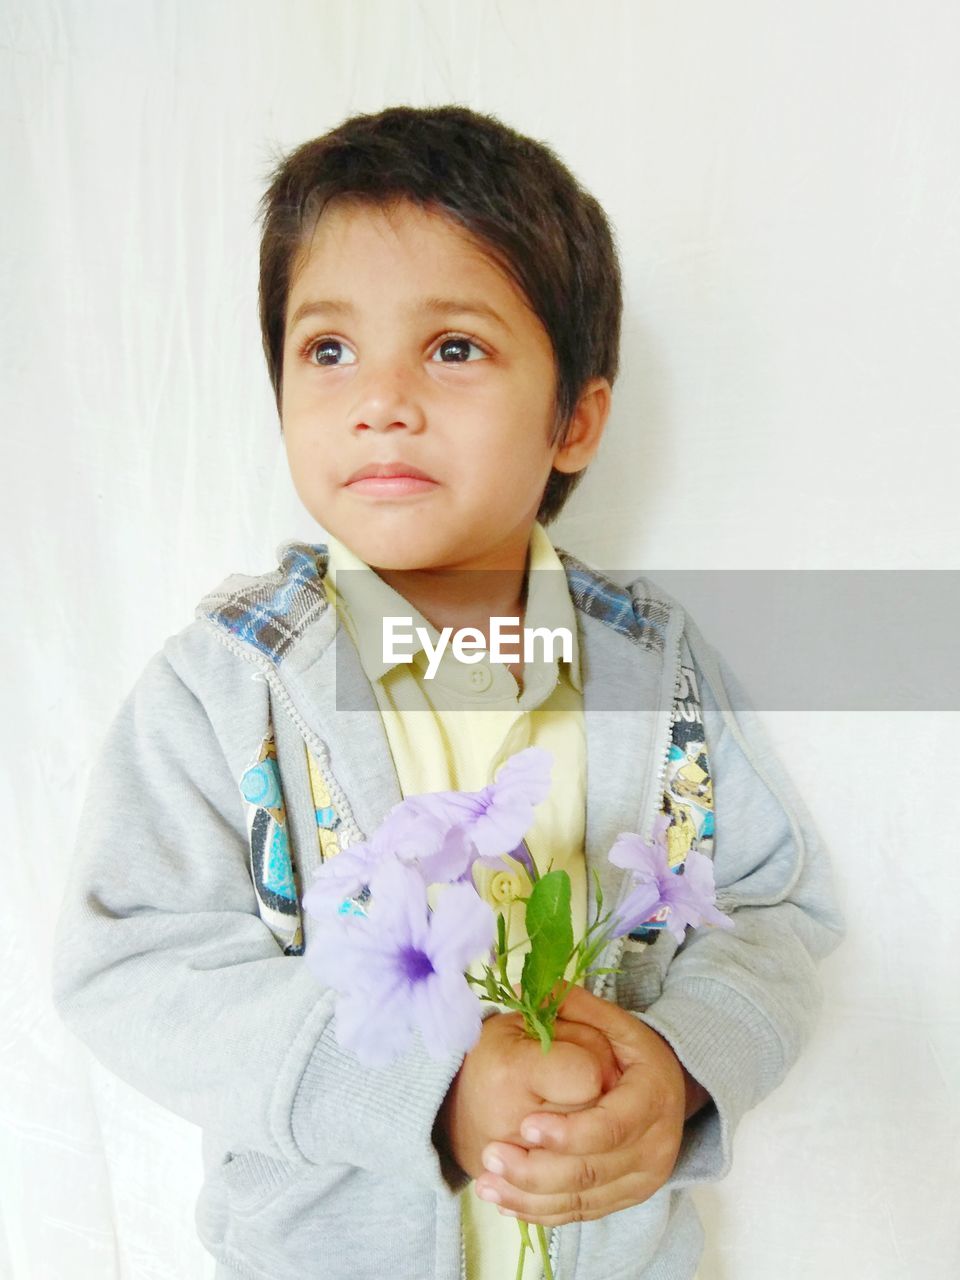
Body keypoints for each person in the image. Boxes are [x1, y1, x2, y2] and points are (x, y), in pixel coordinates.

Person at [51, 104, 845, 1280]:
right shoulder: (229, 680)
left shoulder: (653, 666)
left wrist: (681, 1068)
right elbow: (132, 962)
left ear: (575, 417)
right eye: (328, 350)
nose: (381, 398)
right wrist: (426, 1090)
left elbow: (775, 908)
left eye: (453, 347)